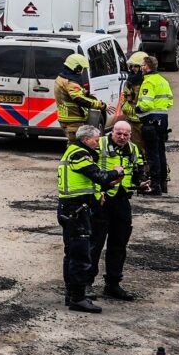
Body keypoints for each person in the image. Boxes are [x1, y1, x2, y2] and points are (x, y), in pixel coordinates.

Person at [56, 123, 117, 313]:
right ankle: (78, 297)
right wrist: (117, 172)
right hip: (75, 210)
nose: (98, 144)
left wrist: (101, 191)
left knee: (72, 253)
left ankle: (72, 294)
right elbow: (98, 175)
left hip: (72, 208)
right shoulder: (79, 154)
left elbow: (87, 181)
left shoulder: (76, 152)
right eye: (96, 140)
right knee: (80, 255)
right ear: (86, 139)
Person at [98, 120, 140, 301]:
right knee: (95, 243)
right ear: (112, 132)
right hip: (101, 199)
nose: (122, 137)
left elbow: (137, 169)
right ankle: (85, 284)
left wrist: (142, 183)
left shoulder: (133, 148)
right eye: (119, 133)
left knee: (119, 244)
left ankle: (113, 284)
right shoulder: (99, 144)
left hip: (122, 200)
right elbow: (89, 170)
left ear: (130, 135)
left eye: (126, 134)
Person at [128, 51, 175, 194]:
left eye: (142, 65)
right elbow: (170, 101)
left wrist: (137, 109)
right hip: (163, 121)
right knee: (161, 153)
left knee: (152, 155)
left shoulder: (148, 82)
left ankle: (155, 186)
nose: (141, 68)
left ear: (146, 67)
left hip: (150, 122)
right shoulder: (163, 80)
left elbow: (146, 104)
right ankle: (162, 183)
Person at [54, 52, 106, 132]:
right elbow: (79, 99)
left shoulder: (61, 78)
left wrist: (85, 93)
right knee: (79, 140)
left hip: (66, 118)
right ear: (76, 67)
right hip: (74, 120)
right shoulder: (70, 82)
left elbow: (69, 93)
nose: (81, 71)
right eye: (81, 68)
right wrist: (101, 105)